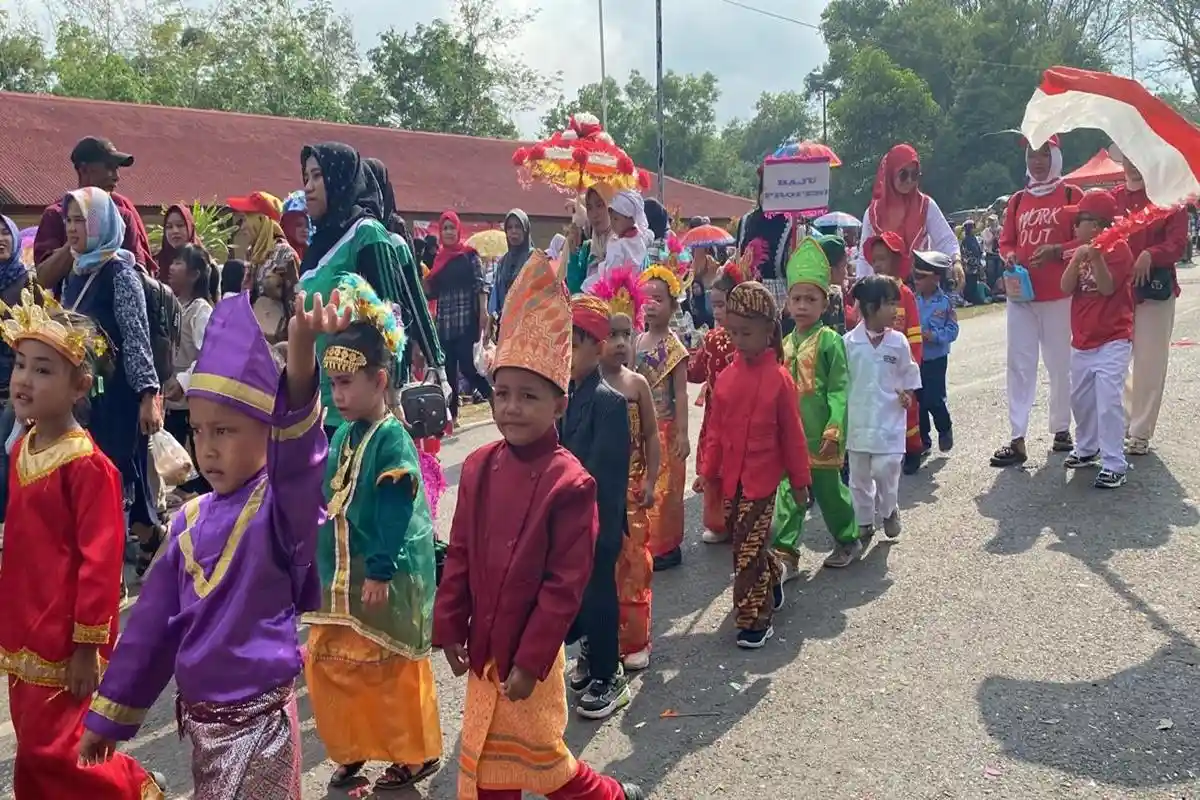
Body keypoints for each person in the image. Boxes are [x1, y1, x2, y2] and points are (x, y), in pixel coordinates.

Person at [79, 290, 343, 797]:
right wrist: (106, 719)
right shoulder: (188, 521)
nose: (208, 448)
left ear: (268, 431)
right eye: (199, 432)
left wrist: (302, 353)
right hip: (203, 725)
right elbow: (150, 628)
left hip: (263, 723)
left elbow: (301, 459)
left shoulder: (277, 508)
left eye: (225, 430)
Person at [432, 250, 645, 800]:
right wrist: (451, 621)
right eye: (501, 394)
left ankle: (614, 796)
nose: (510, 408)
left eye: (529, 396)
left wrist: (530, 660)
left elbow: (564, 586)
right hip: (484, 650)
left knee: (545, 765)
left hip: (530, 657)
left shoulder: (569, 483)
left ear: (558, 404)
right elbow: (459, 554)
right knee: (488, 765)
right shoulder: (479, 467)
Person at [0, 293, 163, 799]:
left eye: (44, 369)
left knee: (61, 749)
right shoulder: (26, 444)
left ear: (79, 386)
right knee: (34, 743)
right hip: (24, 630)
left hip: (65, 640)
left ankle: (132, 790)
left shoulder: (88, 466)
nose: (25, 379)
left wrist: (87, 647)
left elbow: (101, 560)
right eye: (21, 364)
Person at [305, 275, 442, 792]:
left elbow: (393, 509)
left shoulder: (391, 441)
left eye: (347, 383)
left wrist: (382, 569)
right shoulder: (340, 434)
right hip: (339, 579)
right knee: (330, 663)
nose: (338, 395)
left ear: (380, 381)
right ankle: (352, 746)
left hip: (378, 574)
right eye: (333, 384)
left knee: (388, 670)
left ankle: (414, 753)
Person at [700, 281, 811, 648]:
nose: (738, 340)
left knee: (745, 552)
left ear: (769, 330)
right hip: (732, 480)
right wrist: (707, 471)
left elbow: (793, 436)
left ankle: (753, 620)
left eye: (746, 332)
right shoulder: (727, 378)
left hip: (763, 482)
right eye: (733, 332)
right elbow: (715, 430)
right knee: (749, 543)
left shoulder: (780, 380)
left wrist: (799, 481)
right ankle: (774, 573)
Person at [59, 187, 163, 572]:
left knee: (115, 484)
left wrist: (147, 394)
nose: (72, 228)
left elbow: (136, 336)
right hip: (84, 399)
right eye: (69, 220)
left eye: (81, 220)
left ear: (100, 223)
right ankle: (146, 541)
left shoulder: (120, 273)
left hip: (117, 400)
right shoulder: (75, 271)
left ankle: (107, 572)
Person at [297, 142, 428, 436]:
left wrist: (392, 396)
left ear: (338, 178)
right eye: (306, 178)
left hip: (361, 413)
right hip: (316, 408)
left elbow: (390, 318)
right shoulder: (315, 249)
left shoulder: (366, 233)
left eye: (317, 176)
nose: (308, 187)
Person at [991, 136, 1082, 467]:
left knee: (1061, 364)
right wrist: (1010, 255)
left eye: (1045, 154)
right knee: (1019, 364)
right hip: (1022, 297)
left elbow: (1090, 240)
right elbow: (1006, 241)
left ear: (1056, 156)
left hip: (1060, 293)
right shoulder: (1017, 201)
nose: (1038, 161)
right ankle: (1017, 438)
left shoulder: (1072, 195)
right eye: (1032, 154)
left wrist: (1059, 251)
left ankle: (1061, 429)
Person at [562, 293, 632, 719]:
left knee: (601, 596)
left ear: (597, 345)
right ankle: (591, 656)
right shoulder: (567, 395)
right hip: (572, 519)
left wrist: (602, 534)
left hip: (597, 521)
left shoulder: (608, 402)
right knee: (581, 596)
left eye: (573, 343)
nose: (566, 354)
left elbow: (607, 477)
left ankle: (611, 675)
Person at [771, 239, 858, 573]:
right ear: (788, 304)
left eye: (811, 299)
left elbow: (838, 387)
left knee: (828, 492)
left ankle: (848, 536)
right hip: (790, 436)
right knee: (789, 492)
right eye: (796, 299)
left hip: (821, 432)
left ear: (825, 303)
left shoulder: (830, 342)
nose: (802, 305)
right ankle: (786, 554)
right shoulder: (784, 344)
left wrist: (835, 425)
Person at [590, 267, 659, 672]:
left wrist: (651, 479)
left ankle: (636, 639)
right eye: (610, 336)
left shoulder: (637, 385)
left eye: (625, 335)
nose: (619, 344)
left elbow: (651, 435)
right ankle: (602, 636)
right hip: (598, 492)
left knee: (635, 564)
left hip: (632, 490)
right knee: (601, 565)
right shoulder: (586, 387)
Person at [1109, 147, 1189, 457]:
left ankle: (1140, 431)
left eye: (1139, 155)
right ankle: (1126, 420)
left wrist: (1150, 254)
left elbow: (1177, 242)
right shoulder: (1113, 198)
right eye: (1128, 156)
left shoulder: (1168, 197)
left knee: (1149, 363)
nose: (1133, 164)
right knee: (1115, 361)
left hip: (1154, 293)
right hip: (1117, 293)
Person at [1059, 191, 1136, 489]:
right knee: (1081, 401)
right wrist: (1078, 258)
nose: (1075, 227)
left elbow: (1106, 288)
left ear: (1097, 225)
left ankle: (1114, 462)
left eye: (1080, 220)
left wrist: (1097, 256)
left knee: (1107, 402)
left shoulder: (1120, 250)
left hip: (1113, 339)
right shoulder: (1079, 249)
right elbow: (1066, 286)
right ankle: (1088, 447)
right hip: (1082, 340)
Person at [844, 276, 922, 546]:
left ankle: (889, 509)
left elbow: (909, 373)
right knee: (859, 477)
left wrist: (908, 395)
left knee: (885, 468)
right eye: (889, 303)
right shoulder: (848, 343)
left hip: (889, 422)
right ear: (869, 307)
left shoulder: (898, 342)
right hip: (857, 422)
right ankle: (864, 520)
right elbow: (840, 382)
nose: (895, 310)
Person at [362, 157, 444, 382]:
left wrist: (419, 342)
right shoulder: (356, 229)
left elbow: (410, 286)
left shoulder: (393, 228)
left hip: (398, 322)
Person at [34, 136, 154, 289]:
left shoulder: (123, 216)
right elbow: (42, 280)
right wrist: (77, 242)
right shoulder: (56, 215)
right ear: (84, 170)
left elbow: (140, 278)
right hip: (67, 310)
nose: (117, 177)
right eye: (109, 168)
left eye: (117, 169)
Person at [688, 253, 747, 544]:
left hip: (725, 415)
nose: (718, 312)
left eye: (723, 305)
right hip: (734, 414)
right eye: (715, 306)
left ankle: (722, 522)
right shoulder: (747, 338)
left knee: (720, 464)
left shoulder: (719, 339)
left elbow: (694, 373)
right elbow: (698, 373)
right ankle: (736, 519)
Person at [636, 265, 690, 571]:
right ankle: (646, 542)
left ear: (673, 304)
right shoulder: (636, 342)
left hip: (666, 429)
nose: (651, 304)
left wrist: (683, 433)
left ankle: (667, 547)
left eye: (658, 298)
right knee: (645, 485)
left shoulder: (675, 348)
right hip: (641, 429)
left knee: (667, 491)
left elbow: (681, 394)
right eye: (647, 299)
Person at [865, 231, 925, 474]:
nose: (878, 264)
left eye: (883, 259)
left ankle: (913, 449)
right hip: (877, 365)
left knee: (907, 407)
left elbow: (915, 336)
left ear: (896, 262)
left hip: (901, 365)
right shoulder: (869, 293)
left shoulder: (906, 296)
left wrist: (912, 368)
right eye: (875, 259)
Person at [424, 210, 492, 424]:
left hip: (466, 320)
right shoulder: (439, 260)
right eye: (445, 228)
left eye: (452, 227)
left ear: (458, 229)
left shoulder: (469, 255)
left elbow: (481, 284)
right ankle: (452, 416)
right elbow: (432, 293)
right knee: (449, 369)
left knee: (467, 365)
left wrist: (484, 312)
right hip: (445, 322)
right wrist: (422, 279)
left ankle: (490, 394)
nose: (449, 232)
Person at [854, 143, 959, 280]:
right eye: (903, 175)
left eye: (914, 175)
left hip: (920, 283)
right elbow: (864, 257)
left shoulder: (926, 205)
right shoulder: (873, 213)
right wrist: (861, 288)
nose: (909, 180)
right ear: (891, 173)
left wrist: (957, 262)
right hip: (886, 287)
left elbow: (945, 239)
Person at [163, 243, 219, 495]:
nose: (171, 268)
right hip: (171, 400)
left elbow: (210, 352)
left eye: (178, 263)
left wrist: (185, 381)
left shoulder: (200, 311)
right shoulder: (173, 305)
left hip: (190, 400)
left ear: (195, 274)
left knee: (196, 460)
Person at [913, 251, 959, 454]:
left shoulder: (944, 303)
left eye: (922, 277)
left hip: (936, 358)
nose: (917, 281)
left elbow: (953, 330)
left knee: (934, 399)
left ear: (936, 278)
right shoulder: (912, 300)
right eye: (915, 276)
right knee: (918, 400)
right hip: (916, 358)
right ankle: (923, 441)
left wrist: (935, 336)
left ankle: (944, 427)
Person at [735, 166, 797, 312]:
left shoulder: (792, 224)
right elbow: (738, 262)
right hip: (747, 294)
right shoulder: (745, 221)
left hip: (780, 299)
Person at [566, 183, 617, 294]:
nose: (594, 214)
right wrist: (574, 255)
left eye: (599, 205)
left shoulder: (623, 245)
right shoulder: (588, 248)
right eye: (589, 208)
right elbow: (575, 291)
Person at [491, 208, 534, 323]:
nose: (513, 231)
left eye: (518, 227)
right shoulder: (503, 262)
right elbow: (496, 294)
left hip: (528, 323)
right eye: (509, 228)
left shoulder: (534, 258)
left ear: (525, 230)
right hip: (505, 323)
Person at [154, 203, 196, 281]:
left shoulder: (204, 263)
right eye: (169, 227)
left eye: (180, 225)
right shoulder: (156, 265)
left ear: (190, 227)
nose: (175, 231)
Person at [817, 234, 849, 334]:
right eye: (844, 266)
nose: (846, 273)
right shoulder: (833, 297)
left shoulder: (836, 295)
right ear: (830, 270)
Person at [280, 190, 310, 260]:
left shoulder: (311, 252)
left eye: (307, 226)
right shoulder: (278, 253)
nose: (305, 230)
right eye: (299, 225)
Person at [960, 220, 986, 305]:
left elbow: (978, 251)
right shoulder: (966, 240)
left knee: (974, 282)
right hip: (969, 265)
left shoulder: (973, 238)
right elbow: (965, 253)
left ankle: (974, 299)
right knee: (970, 283)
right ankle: (969, 299)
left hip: (975, 265)